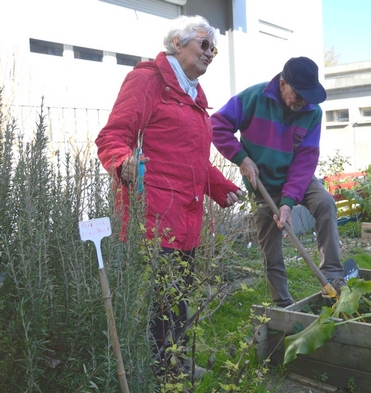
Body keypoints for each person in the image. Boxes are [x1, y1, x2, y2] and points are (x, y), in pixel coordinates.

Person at [95, 15, 242, 372]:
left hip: (187, 217)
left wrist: (222, 188)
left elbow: (191, 160)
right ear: (177, 42)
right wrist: (123, 161)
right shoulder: (149, 80)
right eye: (203, 45)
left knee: (177, 295)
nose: (210, 53)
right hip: (154, 216)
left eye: (214, 48)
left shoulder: (194, 96)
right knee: (159, 299)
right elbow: (111, 137)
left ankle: (171, 365)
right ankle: (157, 370)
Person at [211, 56, 345, 307]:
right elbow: (217, 126)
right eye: (299, 94)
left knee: (325, 202)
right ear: (282, 84)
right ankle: (283, 305)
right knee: (270, 246)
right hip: (262, 183)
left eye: (308, 95)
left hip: (298, 178)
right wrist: (241, 158)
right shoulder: (253, 98)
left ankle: (333, 276)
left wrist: (288, 202)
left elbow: (305, 159)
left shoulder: (312, 112)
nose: (304, 100)